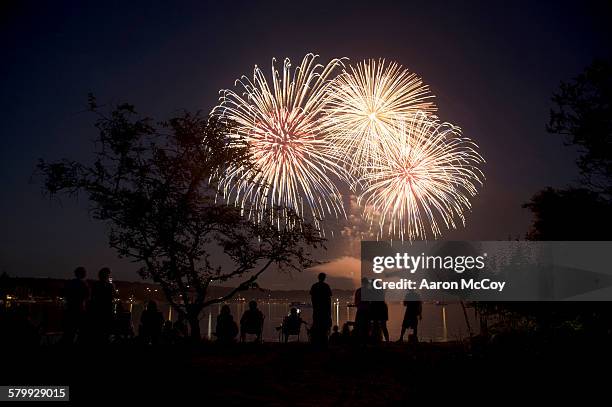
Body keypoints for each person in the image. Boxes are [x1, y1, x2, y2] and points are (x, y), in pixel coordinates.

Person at [61, 266, 89, 344]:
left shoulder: (69, 283)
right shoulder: (84, 284)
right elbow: (87, 296)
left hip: (70, 310)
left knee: (69, 332)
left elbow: (64, 293)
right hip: (79, 310)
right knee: (82, 331)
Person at [88, 267, 114, 344]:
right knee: (103, 332)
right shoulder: (109, 286)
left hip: (99, 310)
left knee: (98, 332)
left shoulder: (96, 285)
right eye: (108, 274)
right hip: (104, 311)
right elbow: (111, 298)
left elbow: (92, 298)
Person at [309, 272, 332, 344]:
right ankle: (323, 341)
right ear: (324, 278)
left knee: (316, 324)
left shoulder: (314, 286)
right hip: (324, 310)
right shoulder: (326, 286)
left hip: (316, 309)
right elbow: (329, 298)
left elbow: (312, 297)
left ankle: (315, 340)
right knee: (323, 326)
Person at [354, 278, 371, 342]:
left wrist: (358, 305)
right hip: (366, 310)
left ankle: (359, 340)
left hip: (360, 310)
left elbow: (356, 302)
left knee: (359, 325)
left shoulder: (358, 290)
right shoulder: (369, 291)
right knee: (366, 326)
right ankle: (365, 340)